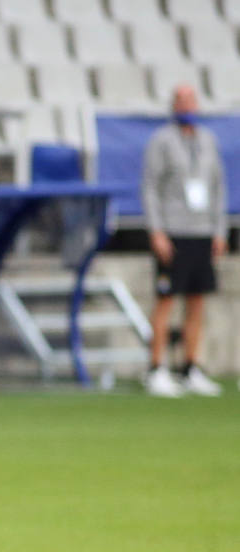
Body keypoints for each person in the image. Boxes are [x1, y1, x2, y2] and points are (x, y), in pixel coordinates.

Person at [141, 83, 229, 398]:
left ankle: (191, 366)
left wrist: (220, 230)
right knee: (166, 299)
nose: (186, 104)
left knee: (197, 301)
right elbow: (150, 186)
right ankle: (156, 368)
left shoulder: (208, 140)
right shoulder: (161, 141)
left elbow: (219, 187)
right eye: (180, 99)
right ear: (173, 105)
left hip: (202, 230)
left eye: (190, 99)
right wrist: (156, 230)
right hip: (173, 230)